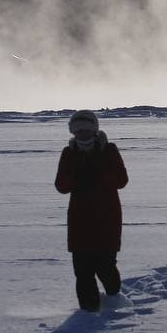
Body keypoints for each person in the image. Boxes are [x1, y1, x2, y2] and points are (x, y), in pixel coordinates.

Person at [54, 109, 129, 312]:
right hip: (80, 220)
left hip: (107, 218)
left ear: (94, 130)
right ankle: (88, 312)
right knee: (83, 270)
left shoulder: (109, 150)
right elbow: (61, 185)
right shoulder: (68, 153)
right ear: (73, 132)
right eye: (78, 131)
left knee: (105, 267)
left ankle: (114, 298)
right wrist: (78, 178)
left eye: (86, 130)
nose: (83, 134)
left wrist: (99, 177)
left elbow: (122, 180)